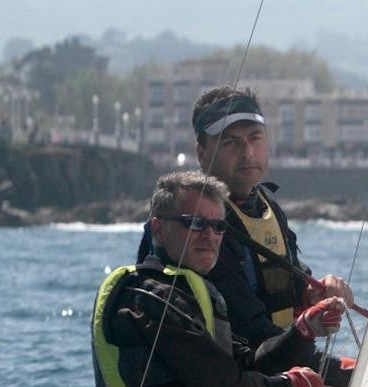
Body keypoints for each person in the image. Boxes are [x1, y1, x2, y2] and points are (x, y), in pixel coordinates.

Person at [93, 170, 345, 387]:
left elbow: (247, 362)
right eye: (195, 223)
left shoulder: (192, 294)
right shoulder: (148, 301)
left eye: (218, 227)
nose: (210, 236)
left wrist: (303, 331)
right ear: (158, 229)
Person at [135, 86, 354, 359]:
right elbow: (248, 329)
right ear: (201, 153)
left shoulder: (267, 206)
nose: (247, 152)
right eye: (230, 142)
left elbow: (288, 284)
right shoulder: (204, 224)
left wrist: (315, 293)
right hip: (238, 377)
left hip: (280, 362)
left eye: (255, 138)